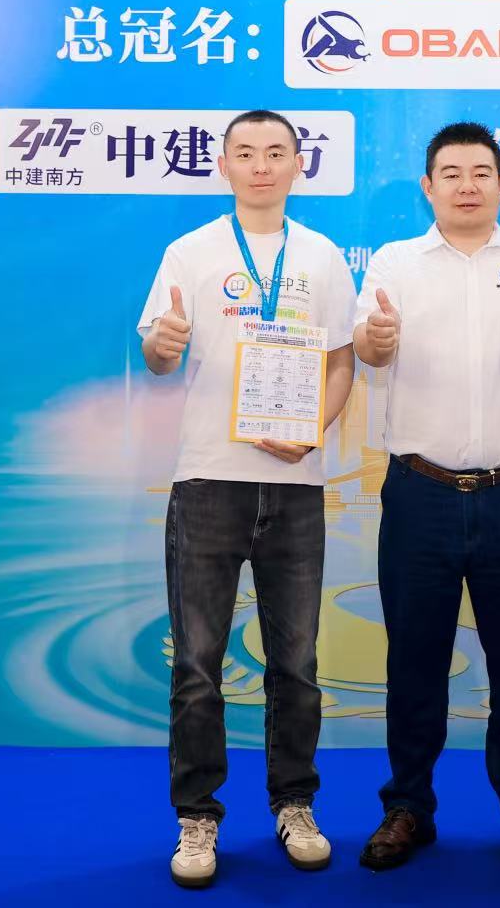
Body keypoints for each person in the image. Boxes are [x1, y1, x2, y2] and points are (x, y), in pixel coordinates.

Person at [351, 121, 500, 876]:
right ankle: (406, 807)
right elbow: (367, 341)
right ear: (429, 186)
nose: (467, 185)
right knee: (414, 664)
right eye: (451, 173)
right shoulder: (394, 262)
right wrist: (377, 339)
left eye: (481, 172)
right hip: (419, 495)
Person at [136, 109, 357, 889]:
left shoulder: (322, 256)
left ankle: (295, 803)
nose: (261, 165)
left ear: (299, 164)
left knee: (296, 662)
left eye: (275, 152)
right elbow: (158, 355)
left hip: (295, 486)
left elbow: (342, 365)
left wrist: (313, 431)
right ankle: (197, 815)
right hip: (208, 481)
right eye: (245, 153)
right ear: (223, 165)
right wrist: (160, 346)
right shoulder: (190, 251)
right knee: (198, 663)